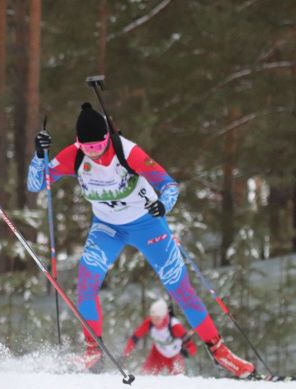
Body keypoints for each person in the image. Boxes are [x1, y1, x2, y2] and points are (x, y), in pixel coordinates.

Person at [26, 102, 255, 378]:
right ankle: (93, 349)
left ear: (107, 138)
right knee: (86, 282)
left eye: (98, 145)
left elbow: (169, 185)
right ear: (79, 142)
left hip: (147, 225)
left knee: (180, 288)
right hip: (107, 227)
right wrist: (39, 156)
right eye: (87, 147)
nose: (94, 152)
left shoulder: (128, 152)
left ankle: (220, 352)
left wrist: (164, 204)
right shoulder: (73, 156)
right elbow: (36, 184)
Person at [123, 298, 196, 375]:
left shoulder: (175, 326)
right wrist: (125, 354)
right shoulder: (149, 323)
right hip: (157, 353)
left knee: (178, 378)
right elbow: (135, 338)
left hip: (175, 356)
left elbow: (191, 346)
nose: (154, 321)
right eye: (152, 317)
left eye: (157, 318)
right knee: (146, 374)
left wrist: (187, 351)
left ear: (164, 316)